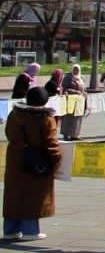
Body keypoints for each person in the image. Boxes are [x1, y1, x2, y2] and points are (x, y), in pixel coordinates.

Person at [3, 87, 62, 241]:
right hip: (37, 161)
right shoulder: (45, 118)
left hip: (15, 158)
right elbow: (52, 143)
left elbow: (9, 133)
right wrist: (57, 160)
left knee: (14, 194)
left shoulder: (15, 114)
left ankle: (10, 229)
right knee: (33, 196)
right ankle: (30, 231)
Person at [60, 64, 85, 141]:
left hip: (79, 101)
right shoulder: (68, 78)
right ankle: (66, 135)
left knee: (77, 118)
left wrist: (84, 94)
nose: (76, 71)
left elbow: (83, 89)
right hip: (70, 100)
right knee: (68, 118)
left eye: (77, 69)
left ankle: (75, 134)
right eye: (75, 69)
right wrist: (75, 91)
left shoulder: (81, 78)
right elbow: (64, 88)